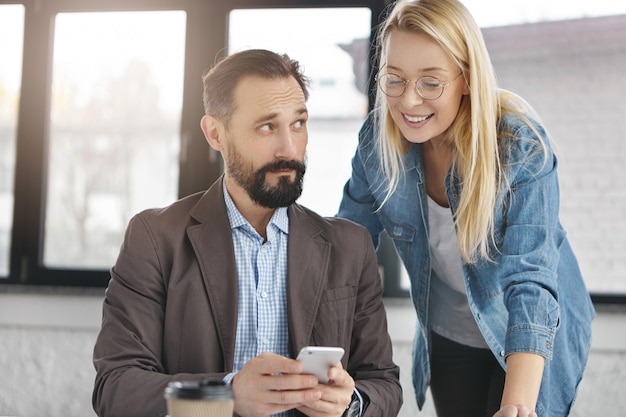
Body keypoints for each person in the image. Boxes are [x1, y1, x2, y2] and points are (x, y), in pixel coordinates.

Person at [92, 49, 402, 417]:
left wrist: (352, 404)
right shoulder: (154, 239)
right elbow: (116, 387)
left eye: (299, 124)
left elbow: (383, 384)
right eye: (267, 127)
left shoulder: (350, 246)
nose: (289, 148)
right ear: (215, 134)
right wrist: (227, 395)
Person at [337, 1, 595, 417]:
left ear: (467, 79)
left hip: (532, 335)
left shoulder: (519, 148)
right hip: (449, 333)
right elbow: (346, 246)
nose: (409, 101)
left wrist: (517, 405)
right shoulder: (376, 141)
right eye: (395, 80)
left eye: (431, 83)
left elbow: (529, 281)